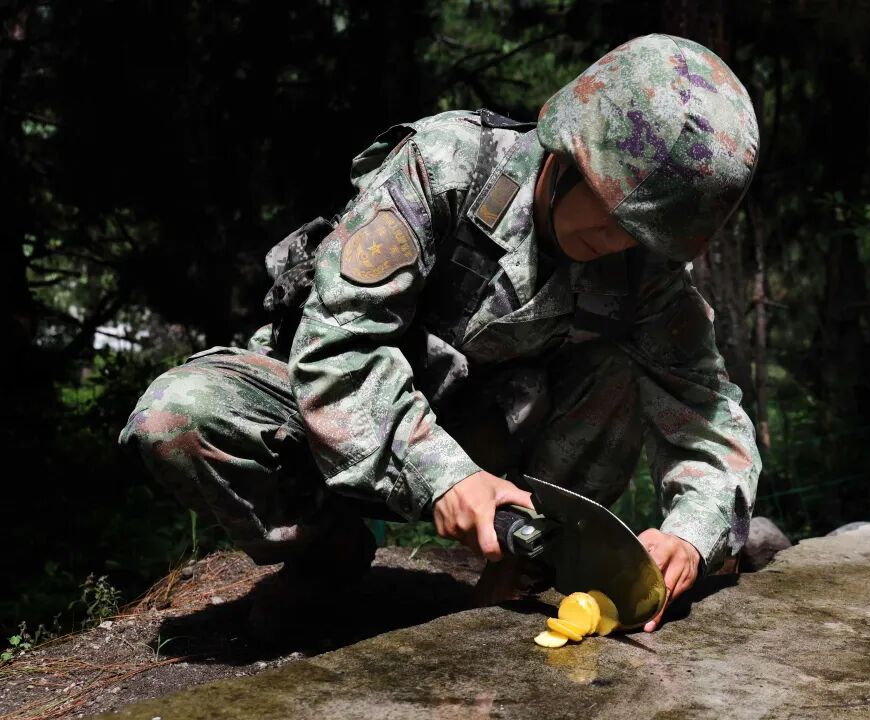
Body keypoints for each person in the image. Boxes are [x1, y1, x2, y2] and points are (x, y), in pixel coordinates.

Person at [119, 34, 761, 636]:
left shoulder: (646, 270)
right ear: (568, 150)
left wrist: (692, 536)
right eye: (612, 210)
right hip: (339, 416)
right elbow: (340, 347)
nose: (620, 243)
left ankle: (531, 561)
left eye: (644, 233)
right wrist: (445, 478)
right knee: (176, 418)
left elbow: (706, 410)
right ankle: (327, 553)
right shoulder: (446, 166)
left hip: (500, 454)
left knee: (625, 368)